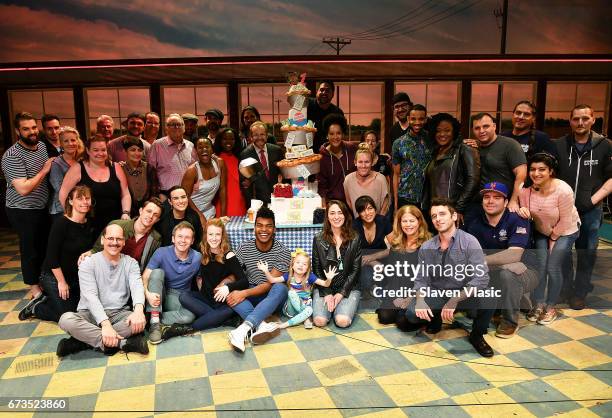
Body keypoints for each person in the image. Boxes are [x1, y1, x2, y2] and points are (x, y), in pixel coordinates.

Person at [405, 198, 494, 357]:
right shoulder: (427, 246)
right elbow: (421, 279)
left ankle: (476, 335)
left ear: (454, 216)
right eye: (434, 216)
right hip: (439, 292)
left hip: (463, 294)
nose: (438, 219)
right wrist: (420, 300)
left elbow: (481, 278)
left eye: (442, 214)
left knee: (490, 296)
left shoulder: (469, 241)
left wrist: (454, 300)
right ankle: (435, 318)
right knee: (411, 314)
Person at [57, 224, 148, 357]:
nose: (114, 243)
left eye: (119, 239)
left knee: (140, 321)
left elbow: (137, 286)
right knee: (66, 320)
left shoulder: (131, 263)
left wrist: (139, 311)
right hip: (90, 314)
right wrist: (105, 325)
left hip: (119, 313)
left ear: (124, 242)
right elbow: (90, 297)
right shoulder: (88, 263)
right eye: (110, 238)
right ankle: (121, 344)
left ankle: (82, 341)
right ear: (102, 240)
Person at [554, 104, 612, 310]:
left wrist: (592, 200)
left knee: (587, 252)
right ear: (570, 121)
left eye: (585, 118)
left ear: (593, 120)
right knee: (563, 253)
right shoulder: (559, 145)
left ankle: (580, 292)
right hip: (562, 210)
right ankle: (565, 289)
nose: (580, 123)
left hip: (590, 210)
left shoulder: (605, 145)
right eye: (576, 119)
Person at [465, 182, 539, 338]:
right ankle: (501, 303)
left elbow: (514, 256)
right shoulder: (474, 221)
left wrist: (482, 261)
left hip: (525, 271)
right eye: (487, 197)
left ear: (506, 202)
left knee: (509, 274)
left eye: (497, 197)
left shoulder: (518, 218)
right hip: (493, 270)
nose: (490, 201)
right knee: (472, 313)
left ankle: (510, 321)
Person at [518, 153, 580, 325]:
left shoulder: (563, 190)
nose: (536, 173)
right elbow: (523, 208)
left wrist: (553, 238)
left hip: (566, 230)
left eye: (542, 169)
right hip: (541, 231)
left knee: (553, 266)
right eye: (533, 169)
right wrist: (522, 211)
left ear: (551, 171)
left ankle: (551, 306)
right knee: (541, 266)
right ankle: (538, 304)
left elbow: (566, 220)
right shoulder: (525, 191)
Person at [19, 185, 95, 323]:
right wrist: (61, 282)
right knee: (70, 316)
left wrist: (91, 251)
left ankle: (51, 299)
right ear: (70, 201)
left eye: (87, 198)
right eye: (80, 198)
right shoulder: (61, 223)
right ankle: (38, 307)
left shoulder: (90, 223)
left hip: (76, 278)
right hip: (54, 276)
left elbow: (95, 247)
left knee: (84, 312)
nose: (85, 202)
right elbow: (51, 257)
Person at [2, 112, 55, 309]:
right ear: (18, 131)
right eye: (26, 129)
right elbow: (23, 189)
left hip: (42, 206)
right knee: (30, 248)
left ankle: (43, 281)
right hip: (21, 208)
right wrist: (44, 170)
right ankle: (34, 287)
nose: (32, 132)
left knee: (43, 245)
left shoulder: (41, 146)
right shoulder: (11, 155)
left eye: (34, 127)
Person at [227, 207, 291, 352]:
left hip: (271, 297)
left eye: (268, 226)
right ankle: (261, 325)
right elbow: (234, 273)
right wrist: (226, 285)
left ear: (274, 229)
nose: (264, 230)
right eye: (260, 225)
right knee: (230, 292)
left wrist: (243, 293)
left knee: (280, 288)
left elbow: (269, 284)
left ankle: (242, 330)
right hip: (251, 293)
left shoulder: (283, 251)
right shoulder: (244, 247)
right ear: (254, 227)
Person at [180, 218, 249, 330]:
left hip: (222, 302)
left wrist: (227, 287)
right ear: (206, 235)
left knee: (199, 324)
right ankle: (221, 319)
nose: (214, 238)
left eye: (217, 234)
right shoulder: (202, 251)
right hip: (205, 298)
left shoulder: (229, 255)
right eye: (210, 234)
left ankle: (191, 327)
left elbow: (244, 281)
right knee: (183, 296)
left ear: (222, 236)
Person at [60, 135, 132, 238]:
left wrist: (126, 213)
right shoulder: (77, 168)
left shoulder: (115, 167)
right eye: (95, 150)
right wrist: (72, 217)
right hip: (86, 224)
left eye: (103, 150)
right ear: (88, 151)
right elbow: (63, 194)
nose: (100, 153)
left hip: (114, 224)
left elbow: (125, 193)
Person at [372, 205, 431, 329]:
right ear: (399, 223)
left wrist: (410, 297)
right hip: (398, 289)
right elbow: (393, 274)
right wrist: (395, 296)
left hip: (419, 292)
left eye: (412, 220)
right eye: (404, 221)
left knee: (402, 323)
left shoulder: (428, 244)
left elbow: (427, 279)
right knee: (384, 317)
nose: (408, 225)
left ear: (419, 221)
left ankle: (429, 318)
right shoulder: (396, 243)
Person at [143, 221, 201, 344]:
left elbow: (200, 280)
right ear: (173, 238)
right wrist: (147, 294)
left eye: (187, 237)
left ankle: (154, 317)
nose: (183, 240)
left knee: (189, 316)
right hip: (159, 289)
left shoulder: (197, 257)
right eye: (180, 236)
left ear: (192, 241)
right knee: (157, 272)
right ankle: (154, 324)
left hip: (179, 296)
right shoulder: (161, 252)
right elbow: (145, 276)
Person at [466, 113, 526, 224]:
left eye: (486, 126)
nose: (481, 131)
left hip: (504, 205)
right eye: (477, 128)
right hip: (478, 205)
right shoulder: (473, 147)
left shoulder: (509, 145)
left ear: (494, 126)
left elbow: (521, 174)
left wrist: (513, 200)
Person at [312, 200, 362, 328]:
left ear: (345, 215)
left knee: (342, 321)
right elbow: (317, 269)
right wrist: (327, 293)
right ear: (327, 217)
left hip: (348, 287)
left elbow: (355, 271)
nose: (336, 216)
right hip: (325, 285)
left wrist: (341, 293)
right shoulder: (318, 239)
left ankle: (341, 308)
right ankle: (332, 307)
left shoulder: (355, 238)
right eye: (332, 213)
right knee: (319, 321)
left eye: (340, 213)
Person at [423, 113, 480, 223]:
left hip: (455, 211)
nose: (442, 134)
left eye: (447, 130)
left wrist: (458, 208)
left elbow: (473, 181)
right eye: (438, 131)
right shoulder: (435, 152)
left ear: (454, 132)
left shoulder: (465, 149)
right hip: (436, 211)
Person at [258, 248, 334, 329]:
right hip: (290, 308)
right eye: (298, 263)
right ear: (292, 265)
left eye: (304, 264)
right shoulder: (289, 276)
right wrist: (266, 271)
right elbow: (272, 280)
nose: (301, 265)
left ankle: (284, 325)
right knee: (291, 293)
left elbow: (325, 284)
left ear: (308, 268)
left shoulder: (310, 277)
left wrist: (329, 279)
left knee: (309, 310)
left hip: (304, 306)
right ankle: (306, 318)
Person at [89, 198, 163, 272]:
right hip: (108, 269)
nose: (150, 216)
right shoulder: (117, 225)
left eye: (155, 215)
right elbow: (97, 249)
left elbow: (149, 266)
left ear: (157, 220)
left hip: (134, 275)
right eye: (148, 211)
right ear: (141, 211)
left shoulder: (156, 239)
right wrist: (89, 253)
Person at [392, 104, 432, 209]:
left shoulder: (431, 140)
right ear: (409, 119)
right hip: (405, 197)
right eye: (413, 119)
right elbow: (396, 175)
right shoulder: (398, 143)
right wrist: (396, 203)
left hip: (427, 198)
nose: (417, 122)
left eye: (421, 119)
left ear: (426, 120)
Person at [148, 113, 197, 199]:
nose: (176, 127)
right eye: (172, 125)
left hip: (188, 194)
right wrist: (155, 195)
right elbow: (151, 171)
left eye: (179, 124)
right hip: (165, 195)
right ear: (166, 128)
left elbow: (196, 170)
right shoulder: (157, 145)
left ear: (184, 128)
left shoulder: (191, 146)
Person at [181, 138, 226, 223]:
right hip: (191, 213)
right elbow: (185, 196)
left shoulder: (219, 163)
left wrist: (223, 215)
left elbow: (222, 189)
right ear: (196, 151)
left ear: (212, 149)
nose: (204, 150)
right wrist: (200, 216)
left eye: (207, 147)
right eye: (200, 147)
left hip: (209, 211)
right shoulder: (192, 171)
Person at [239, 121, 283, 205]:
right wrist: (250, 206)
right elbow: (245, 185)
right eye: (255, 135)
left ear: (267, 135)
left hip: (278, 200)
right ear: (251, 137)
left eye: (262, 134)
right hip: (257, 203)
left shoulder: (276, 150)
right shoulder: (245, 155)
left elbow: (282, 174)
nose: (259, 137)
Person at [317, 113, 357, 206]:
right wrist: (324, 208)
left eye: (338, 133)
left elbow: (364, 161)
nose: (335, 137)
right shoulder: (322, 157)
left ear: (342, 134)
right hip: (334, 204)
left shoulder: (352, 148)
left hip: (354, 200)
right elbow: (322, 186)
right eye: (331, 134)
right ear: (327, 135)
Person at [344, 143, 390, 218]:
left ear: (372, 162)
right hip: (358, 222)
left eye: (367, 162)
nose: (363, 166)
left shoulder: (380, 179)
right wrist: (362, 218)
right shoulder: (348, 180)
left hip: (377, 223)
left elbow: (385, 204)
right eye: (360, 162)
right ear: (355, 162)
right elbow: (349, 202)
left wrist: (378, 222)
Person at [49, 126, 84, 222]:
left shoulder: (82, 160)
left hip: (80, 206)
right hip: (61, 209)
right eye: (66, 141)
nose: (70, 144)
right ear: (61, 144)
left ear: (77, 141)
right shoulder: (56, 164)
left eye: (73, 140)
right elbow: (60, 190)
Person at [121, 135, 160, 217]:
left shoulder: (149, 168)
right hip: (126, 213)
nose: (137, 153)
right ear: (125, 151)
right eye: (133, 150)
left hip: (148, 212)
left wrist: (148, 207)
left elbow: (155, 192)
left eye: (140, 150)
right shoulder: (120, 169)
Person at [156, 185, 203, 250]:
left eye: (183, 197)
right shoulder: (163, 219)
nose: (181, 201)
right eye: (176, 198)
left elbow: (198, 241)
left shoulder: (193, 216)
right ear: (170, 202)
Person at [214, 127, 247, 216]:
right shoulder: (215, 159)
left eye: (232, 139)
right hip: (221, 201)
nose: (228, 142)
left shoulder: (240, 158)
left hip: (239, 200)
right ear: (219, 141)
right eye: (225, 139)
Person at [308, 81, 345, 152]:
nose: (324, 92)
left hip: (328, 154)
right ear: (317, 92)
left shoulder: (337, 113)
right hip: (305, 153)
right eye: (321, 90)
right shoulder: (306, 105)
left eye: (327, 90)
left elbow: (340, 136)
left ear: (333, 94)